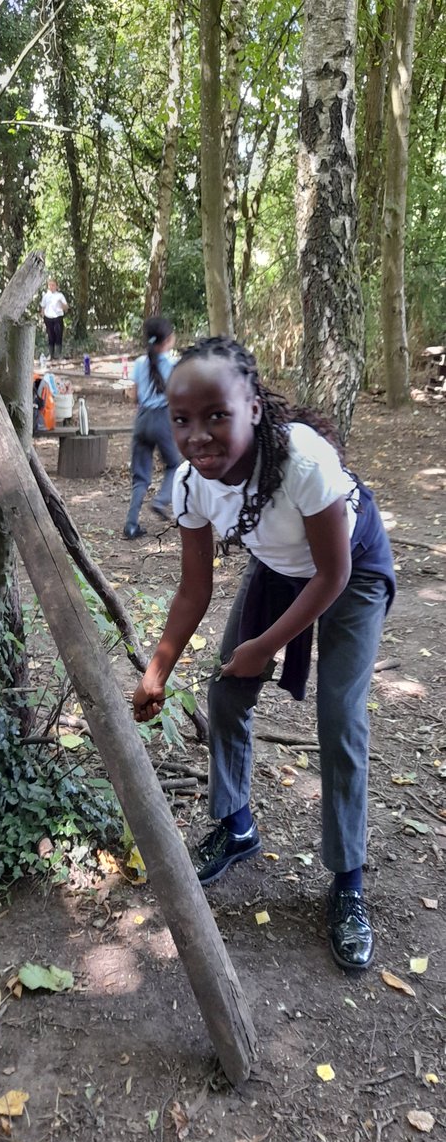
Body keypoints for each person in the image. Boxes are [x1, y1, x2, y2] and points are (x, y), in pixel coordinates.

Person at [132, 337, 396, 971]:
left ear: (252, 406)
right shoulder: (191, 484)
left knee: (340, 718)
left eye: (217, 415)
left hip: (350, 571)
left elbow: (331, 575)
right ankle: (237, 822)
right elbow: (194, 588)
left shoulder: (304, 461)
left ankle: (348, 884)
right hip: (278, 569)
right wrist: (156, 671)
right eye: (182, 420)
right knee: (226, 695)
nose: (198, 436)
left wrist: (263, 647)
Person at [123, 316, 181, 540]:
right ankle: (160, 501)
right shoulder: (174, 365)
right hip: (162, 419)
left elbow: (134, 395)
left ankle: (130, 524)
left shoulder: (139, 363)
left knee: (140, 476)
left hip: (142, 419)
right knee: (174, 464)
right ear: (167, 340)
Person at [40, 279, 68, 360]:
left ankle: (58, 354)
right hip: (48, 318)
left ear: (56, 286)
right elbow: (43, 307)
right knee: (50, 336)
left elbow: (66, 307)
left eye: (53, 285)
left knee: (58, 335)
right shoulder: (45, 296)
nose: (51, 287)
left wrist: (62, 304)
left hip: (58, 317)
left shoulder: (60, 295)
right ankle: (51, 355)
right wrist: (43, 316)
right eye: (50, 285)